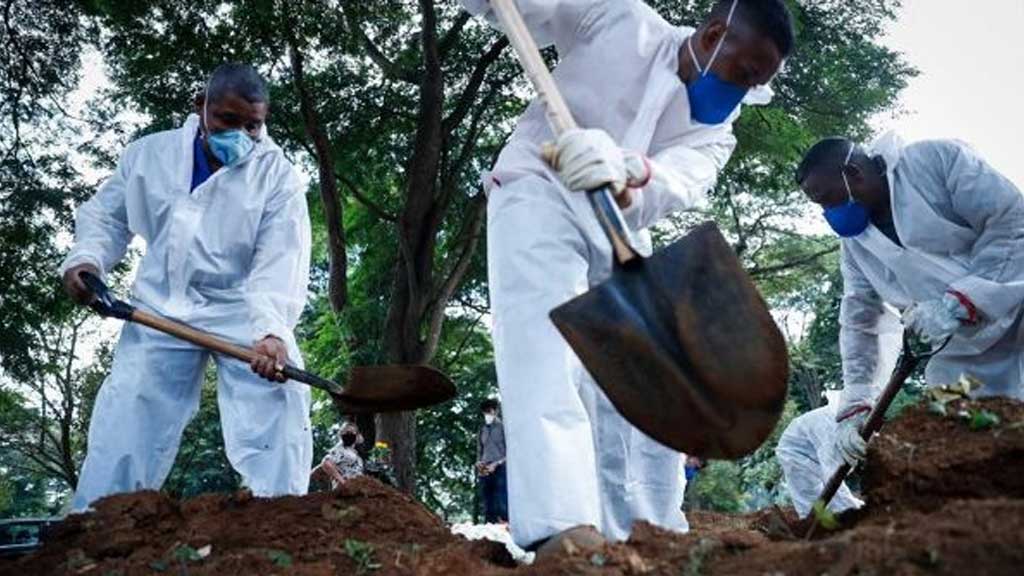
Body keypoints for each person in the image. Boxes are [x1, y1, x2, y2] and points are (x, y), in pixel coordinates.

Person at [459, 0, 795, 551]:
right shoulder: (622, 20)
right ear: (713, 35)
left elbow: (678, 182)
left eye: (757, 83)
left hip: (619, 224)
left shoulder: (719, 131)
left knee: (642, 375)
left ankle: (647, 532)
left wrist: (626, 168)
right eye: (745, 73)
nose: (743, 92)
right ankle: (561, 529)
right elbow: (528, 11)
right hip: (536, 189)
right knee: (542, 347)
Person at [61, 63, 313, 511]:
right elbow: (106, 217)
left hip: (243, 312)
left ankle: (281, 517)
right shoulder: (147, 156)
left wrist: (272, 332)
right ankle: (98, 524)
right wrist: (85, 260)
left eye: (253, 125)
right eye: (228, 121)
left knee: (282, 391)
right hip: (158, 308)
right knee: (130, 406)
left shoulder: (278, 176)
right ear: (201, 107)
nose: (241, 134)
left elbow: (280, 260)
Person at [785, 132, 1024, 495]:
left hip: (1017, 303)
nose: (827, 212)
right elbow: (860, 321)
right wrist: (856, 404)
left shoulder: (935, 161)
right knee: (970, 439)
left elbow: (1010, 222)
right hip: (962, 350)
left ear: (854, 173)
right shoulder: (855, 246)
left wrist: (963, 300)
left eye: (827, 199)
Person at [476, 399, 508, 524]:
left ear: (496, 411)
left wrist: (497, 464)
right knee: (488, 503)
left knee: (500, 502)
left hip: (500, 468)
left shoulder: (504, 428)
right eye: (485, 412)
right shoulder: (482, 429)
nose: (487, 414)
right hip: (485, 469)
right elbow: (480, 449)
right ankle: (489, 531)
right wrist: (479, 462)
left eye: (489, 411)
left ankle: (505, 530)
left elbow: (511, 452)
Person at [313, 422, 365, 489]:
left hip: (355, 490)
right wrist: (343, 483)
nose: (349, 434)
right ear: (341, 434)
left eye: (352, 432)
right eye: (347, 432)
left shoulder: (355, 452)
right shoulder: (340, 449)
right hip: (345, 492)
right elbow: (326, 463)